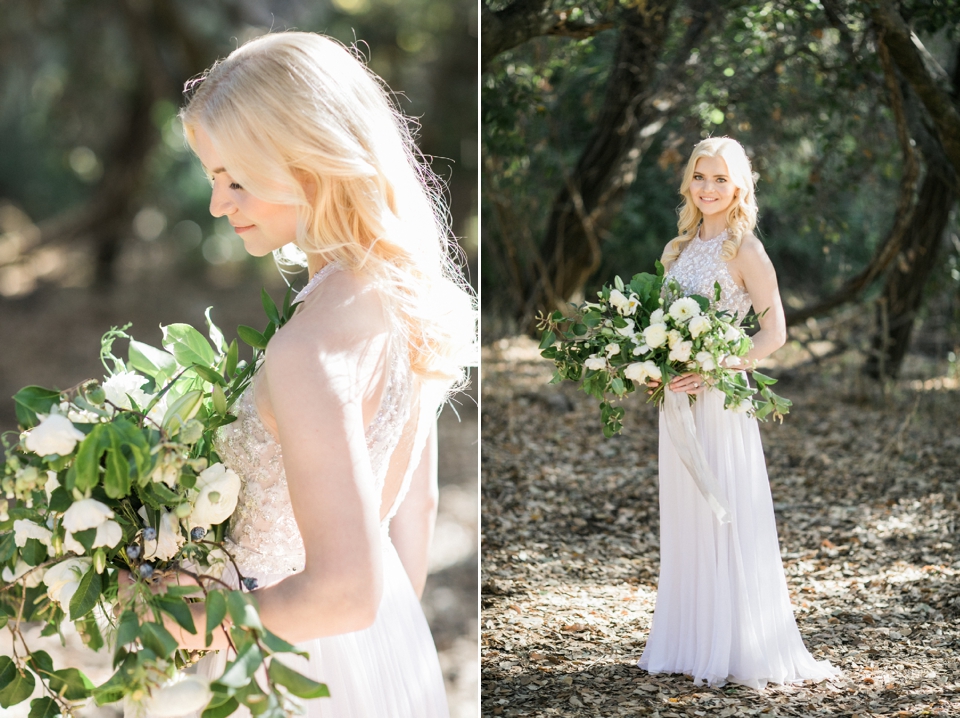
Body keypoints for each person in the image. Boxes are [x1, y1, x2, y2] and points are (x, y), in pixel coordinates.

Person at [123, 31, 476, 717]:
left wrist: (191, 622)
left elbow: (344, 592)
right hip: (379, 649)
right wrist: (376, 657)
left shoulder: (308, 351)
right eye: (212, 178)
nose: (218, 205)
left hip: (289, 666)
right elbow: (414, 509)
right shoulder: (403, 297)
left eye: (236, 180)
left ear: (306, 169)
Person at [637, 137, 838, 689]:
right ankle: (689, 638)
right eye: (700, 177)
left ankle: (734, 643)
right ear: (689, 182)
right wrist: (652, 365)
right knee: (686, 514)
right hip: (678, 397)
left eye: (721, 179)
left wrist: (722, 366)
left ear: (740, 186)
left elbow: (775, 332)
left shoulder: (744, 248)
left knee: (723, 506)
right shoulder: (675, 251)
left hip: (722, 398)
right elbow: (660, 329)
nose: (708, 188)